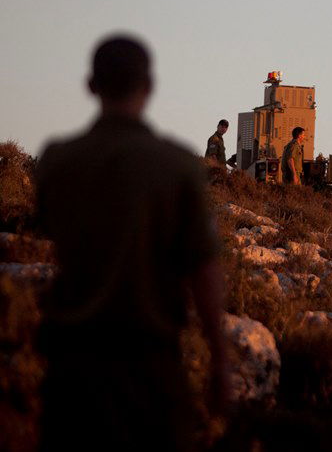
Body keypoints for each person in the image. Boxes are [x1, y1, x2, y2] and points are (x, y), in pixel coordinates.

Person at [34, 35, 228, 452]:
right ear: (149, 87)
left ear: (91, 85)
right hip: (150, 370)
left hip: (72, 372)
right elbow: (204, 270)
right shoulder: (177, 165)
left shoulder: (56, 160)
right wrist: (221, 362)